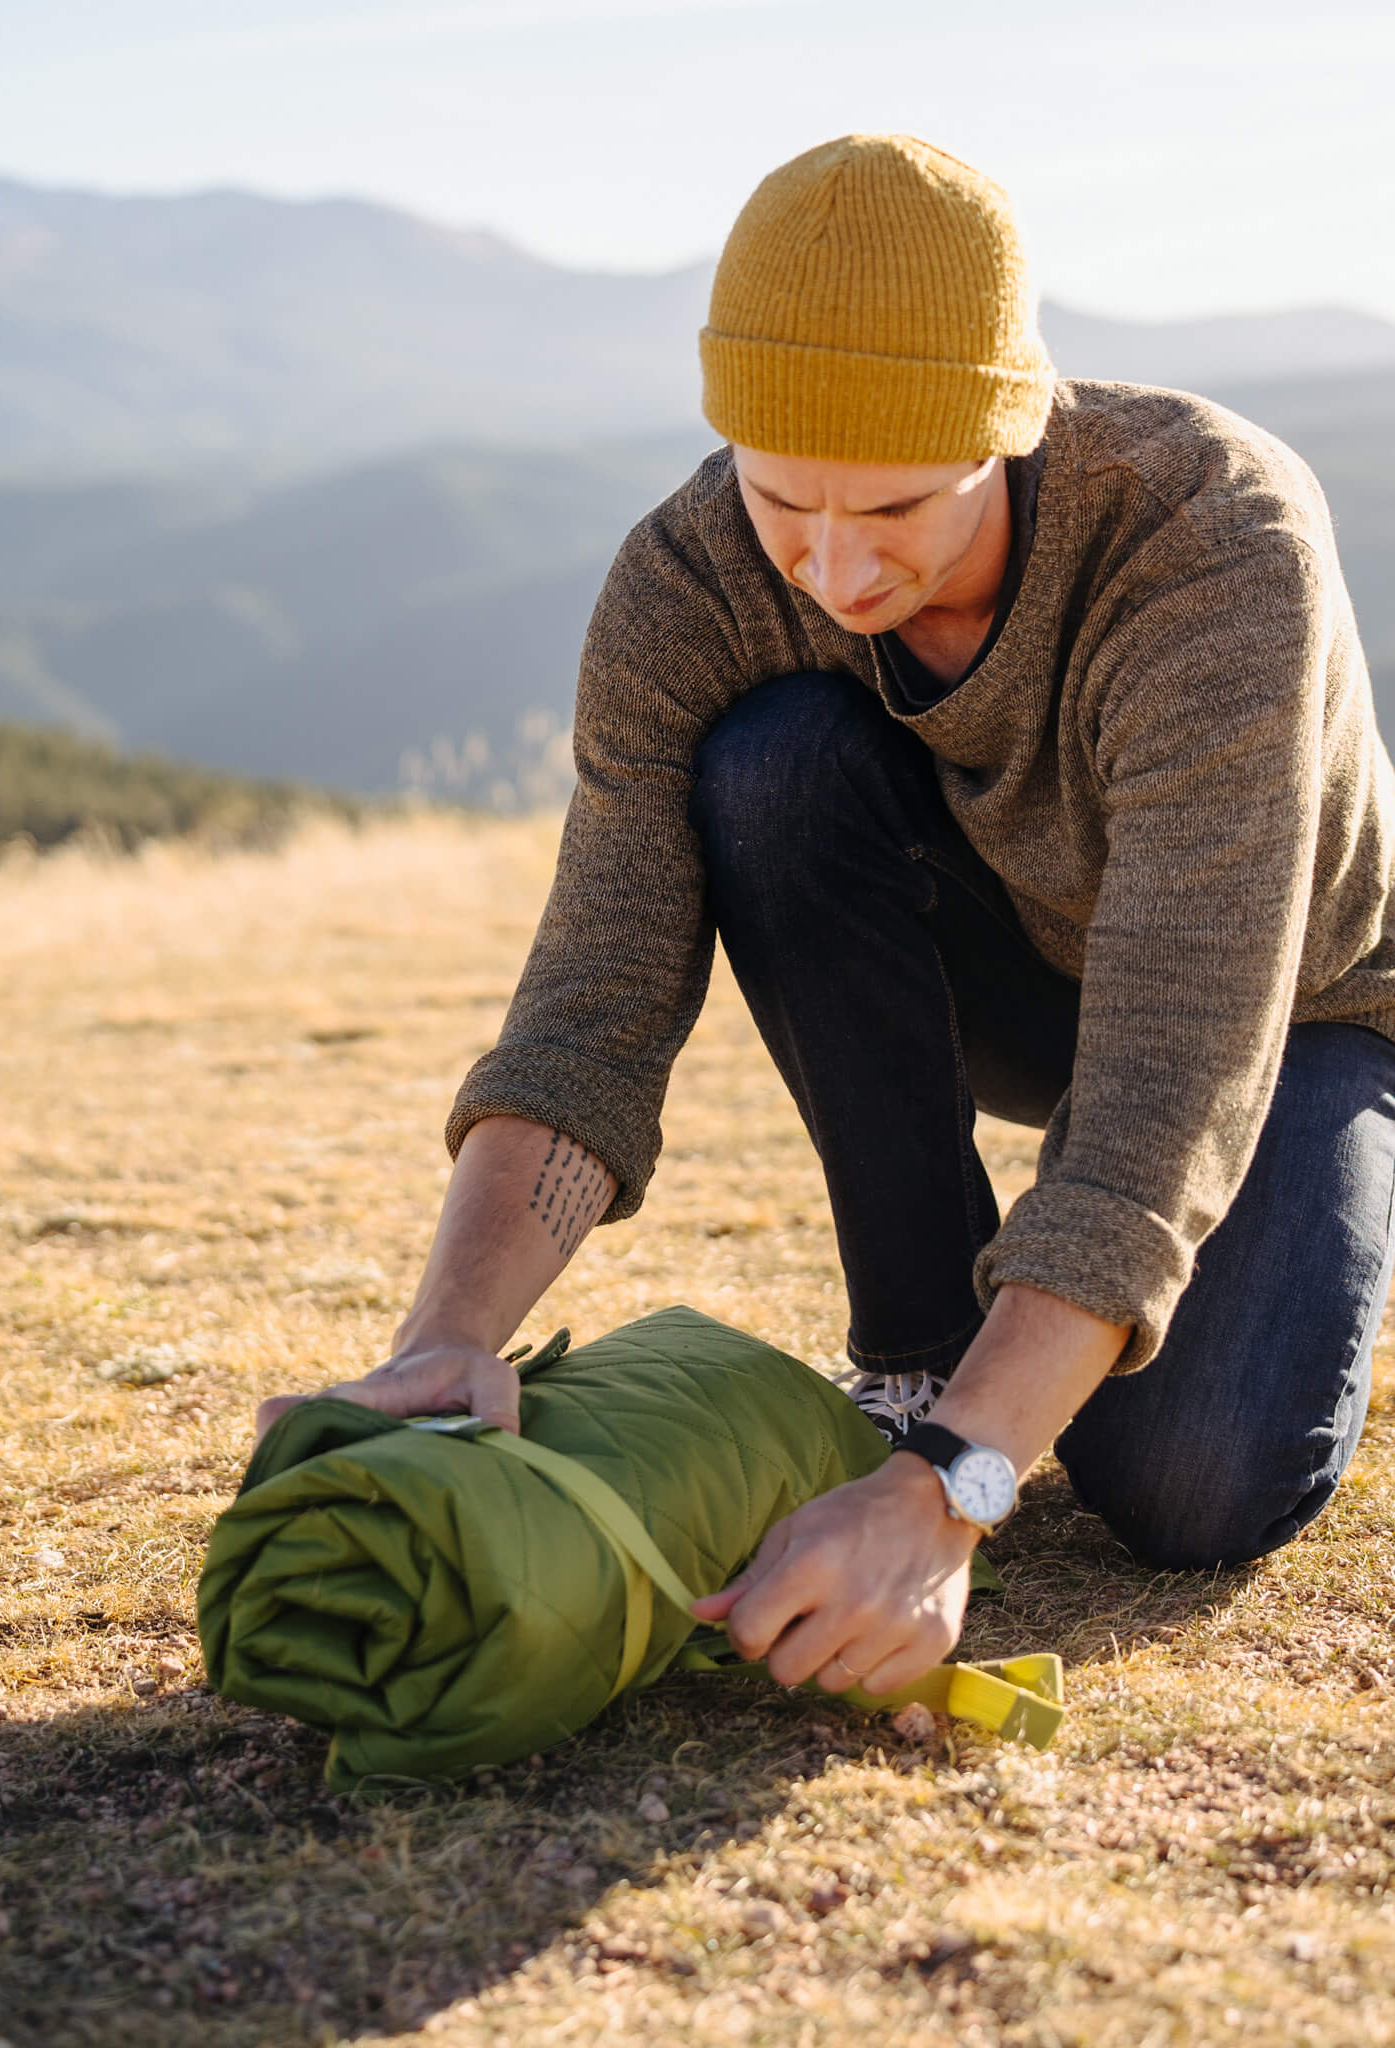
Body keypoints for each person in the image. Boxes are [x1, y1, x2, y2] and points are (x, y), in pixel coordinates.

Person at [256, 134, 1395, 1704]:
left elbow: (1168, 1081)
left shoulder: (1208, 541)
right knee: (772, 764)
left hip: (1292, 1016)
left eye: (900, 507)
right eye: (786, 498)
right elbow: (597, 993)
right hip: (997, 960)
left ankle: (1010, 1391)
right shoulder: (690, 577)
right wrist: (453, 1333)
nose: (839, 564)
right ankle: (924, 1348)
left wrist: (949, 1497)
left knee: (1188, 1492)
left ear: (1007, 430)